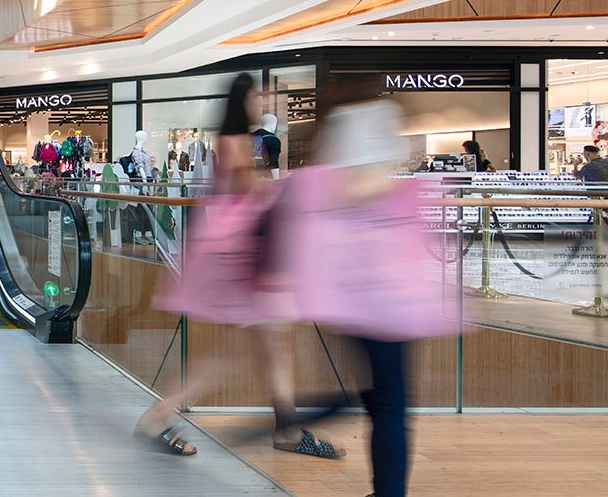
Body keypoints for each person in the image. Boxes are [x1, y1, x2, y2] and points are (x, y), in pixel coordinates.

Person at [133, 74, 342, 461]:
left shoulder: (232, 141)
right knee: (241, 352)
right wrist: (292, 186)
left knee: (270, 345)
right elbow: (249, 191)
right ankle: (159, 415)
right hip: (243, 257)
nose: (261, 103)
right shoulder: (233, 143)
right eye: (257, 96)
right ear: (243, 99)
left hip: (245, 253)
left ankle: (285, 427)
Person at [277, 99, 460, 497]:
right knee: (391, 404)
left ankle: (333, 414)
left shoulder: (331, 194)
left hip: (352, 304)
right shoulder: (396, 195)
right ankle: (387, 490)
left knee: (379, 398)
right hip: (395, 307)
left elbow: (307, 229)